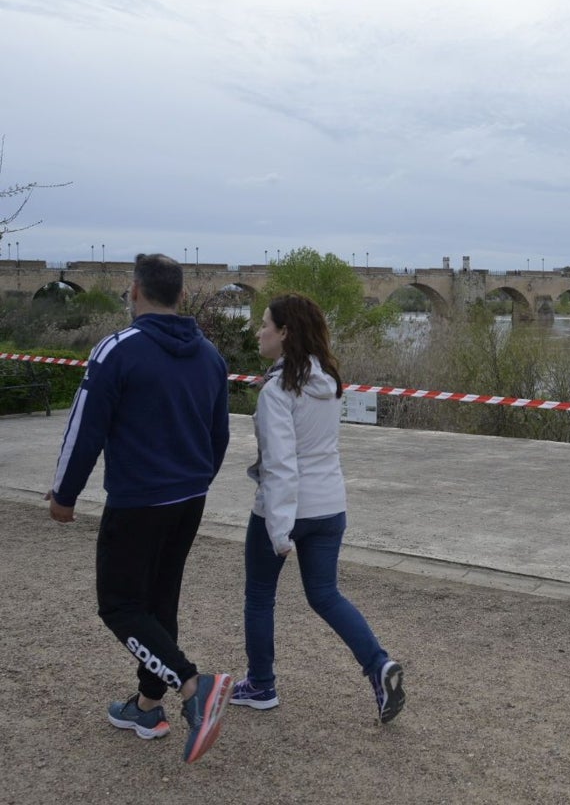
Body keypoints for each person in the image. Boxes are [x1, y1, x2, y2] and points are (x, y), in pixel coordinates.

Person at [46, 253, 233, 764]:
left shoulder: (116, 349)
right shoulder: (210, 356)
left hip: (139, 500)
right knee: (158, 603)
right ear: (179, 295)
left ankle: (195, 685)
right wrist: (196, 479)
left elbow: (86, 428)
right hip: (189, 498)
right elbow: (220, 435)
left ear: (135, 291)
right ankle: (148, 705)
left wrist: (65, 494)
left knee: (120, 605)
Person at [232, 293, 405, 723]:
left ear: (285, 333)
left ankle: (260, 685)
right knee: (326, 595)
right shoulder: (328, 382)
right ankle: (378, 665)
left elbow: (280, 464)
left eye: (265, 324)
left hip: (286, 509)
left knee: (259, 597)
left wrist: (278, 528)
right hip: (330, 506)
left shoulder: (277, 391)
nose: (259, 331)